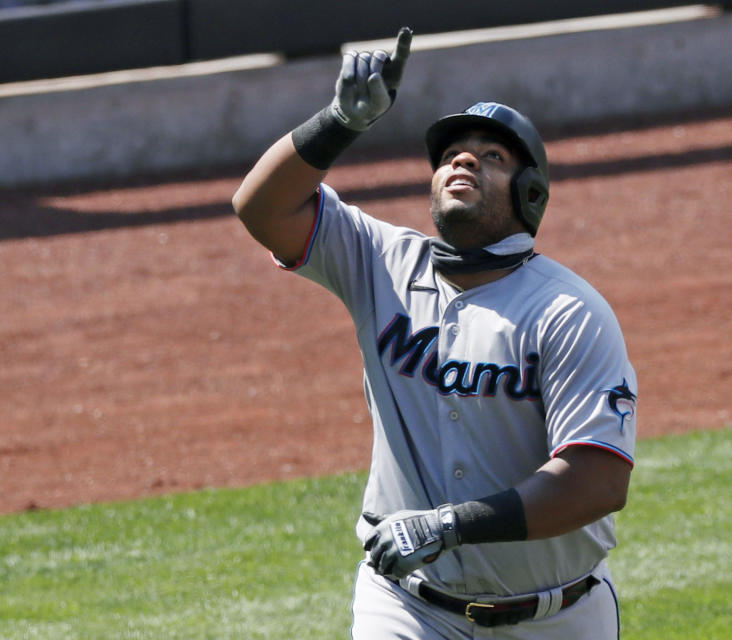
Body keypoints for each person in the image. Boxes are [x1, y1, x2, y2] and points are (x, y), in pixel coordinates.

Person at [232, 27, 637, 639]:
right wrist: (340, 119)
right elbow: (261, 207)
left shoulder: (567, 311)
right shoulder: (381, 262)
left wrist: (449, 525)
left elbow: (596, 481)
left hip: (556, 616)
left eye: (491, 157)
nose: (463, 160)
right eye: (451, 155)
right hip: (408, 607)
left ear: (530, 195)